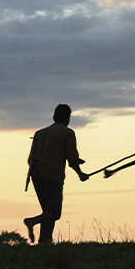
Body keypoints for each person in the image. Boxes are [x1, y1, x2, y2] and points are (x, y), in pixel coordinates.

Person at [24, 104, 89, 244]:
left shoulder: (39, 134)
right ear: (68, 118)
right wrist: (80, 174)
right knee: (54, 213)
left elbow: (31, 158)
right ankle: (31, 221)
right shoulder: (67, 133)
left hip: (35, 175)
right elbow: (71, 159)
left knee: (47, 211)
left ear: (54, 116)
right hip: (52, 177)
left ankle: (45, 241)